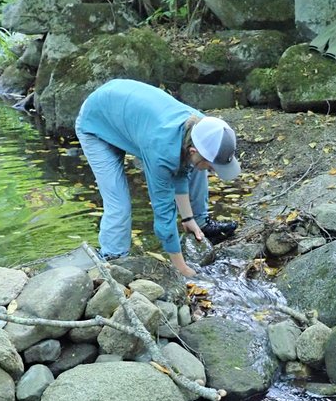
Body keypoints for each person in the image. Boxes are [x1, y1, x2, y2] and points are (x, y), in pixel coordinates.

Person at [75, 78, 241, 277]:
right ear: (193, 149)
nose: (215, 172)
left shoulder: (203, 127)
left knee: (197, 168)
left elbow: (181, 168)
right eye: (214, 167)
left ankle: (200, 222)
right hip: (97, 123)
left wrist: (187, 217)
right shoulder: (161, 151)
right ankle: (113, 257)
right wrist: (181, 269)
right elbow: (163, 212)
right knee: (119, 203)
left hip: (127, 113)